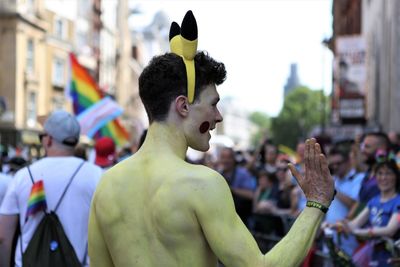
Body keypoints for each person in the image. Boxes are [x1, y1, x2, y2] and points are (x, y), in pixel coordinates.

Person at [88, 10, 334, 266]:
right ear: (183, 106)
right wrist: (316, 204)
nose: (218, 117)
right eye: (213, 104)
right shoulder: (203, 183)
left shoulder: (106, 186)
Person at [0, 110, 103, 267]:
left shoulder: (22, 177)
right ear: (74, 142)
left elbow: (3, 237)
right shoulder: (96, 175)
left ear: (48, 140)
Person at [334, 159, 400, 266]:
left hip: (392, 257)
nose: (383, 178)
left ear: (396, 177)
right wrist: (338, 225)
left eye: (388, 173)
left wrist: (363, 232)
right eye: (380, 173)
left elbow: (390, 230)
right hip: (373, 254)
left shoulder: (398, 201)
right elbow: (354, 224)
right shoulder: (373, 201)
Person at [218, 147, 257, 226]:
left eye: (228, 158)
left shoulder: (243, 173)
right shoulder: (217, 174)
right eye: (223, 157)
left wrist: (231, 189)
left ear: (233, 159)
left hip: (242, 219)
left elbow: (251, 195)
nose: (225, 161)